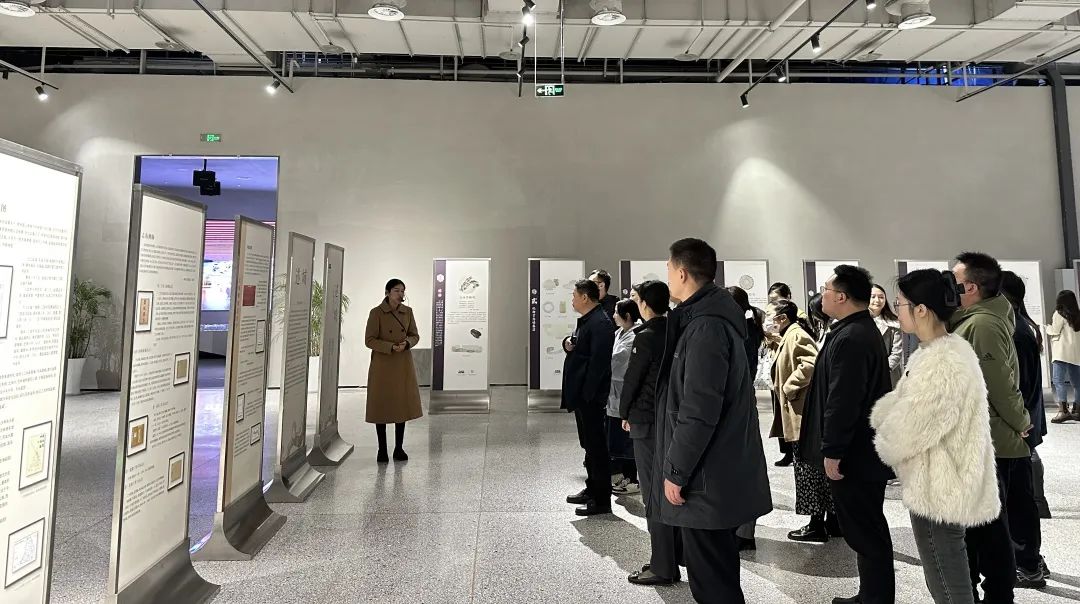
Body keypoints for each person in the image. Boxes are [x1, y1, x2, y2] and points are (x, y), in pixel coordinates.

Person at [652, 238, 771, 604]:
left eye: (669, 269)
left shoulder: (706, 328)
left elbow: (699, 409)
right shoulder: (706, 320)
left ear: (682, 273)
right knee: (714, 572)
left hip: (705, 477)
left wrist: (676, 470)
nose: (667, 276)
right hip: (711, 471)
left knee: (712, 580)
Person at [870, 269, 1000, 604]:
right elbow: (905, 404)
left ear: (921, 310)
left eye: (900, 304)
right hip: (944, 479)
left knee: (946, 577)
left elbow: (911, 427)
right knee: (946, 571)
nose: (896, 310)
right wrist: (887, 414)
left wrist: (884, 431)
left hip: (939, 485)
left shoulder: (941, 360)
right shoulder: (941, 351)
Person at [799, 265, 895, 604]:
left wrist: (833, 450)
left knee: (865, 529)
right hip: (857, 452)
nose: (821, 295)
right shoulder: (852, 330)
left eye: (825, 290)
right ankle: (870, 595)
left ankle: (875, 598)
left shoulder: (853, 337)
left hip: (855, 455)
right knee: (864, 528)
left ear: (841, 296)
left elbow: (843, 400)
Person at [950, 252, 1032, 603]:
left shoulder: (982, 325)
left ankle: (998, 595)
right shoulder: (974, 319)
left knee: (989, 529)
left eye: (954, 282)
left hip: (992, 441)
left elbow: (998, 384)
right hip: (984, 438)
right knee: (981, 527)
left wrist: (1022, 421)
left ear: (970, 287)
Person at [621, 280, 682, 587]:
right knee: (669, 490)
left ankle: (662, 565)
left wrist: (624, 412)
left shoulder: (645, 336)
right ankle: (672, 556)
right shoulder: (677, 330)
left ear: (644, 304)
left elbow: (633, 378)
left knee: (653, 494)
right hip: (672, 419)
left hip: (646, 420)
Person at [771, 299, 838, 543]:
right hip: (803, 414)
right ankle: (831, 520)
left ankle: (816, 524)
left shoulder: (796, 335)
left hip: (802, 416)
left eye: (772, 316)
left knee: (807, 470)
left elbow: (810, 363)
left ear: (782, 318)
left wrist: (789, 387)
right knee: (813, 470)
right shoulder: (792, 334)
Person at [1000, 271, 1051, 584]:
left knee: (1018, 498)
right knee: (1020, 496)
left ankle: (1028, 563)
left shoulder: (1015, 332)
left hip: (1018, 429)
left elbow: (1016, 388)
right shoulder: (1020, 327)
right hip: (1023, 427)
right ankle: (1030, 559)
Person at [562, 279, 616, 517]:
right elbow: (581, 347)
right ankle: (592, 488)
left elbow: (599, 365)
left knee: (597, 447)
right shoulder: (588, 320)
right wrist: (567, 344)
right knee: (589, 445)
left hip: (591, 397)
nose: (572, 300)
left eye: (574, 295)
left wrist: (587, 394)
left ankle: (602, 500)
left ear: (585, 297)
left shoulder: (600, 323)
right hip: (583, 396)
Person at [364, 279, 423, 463]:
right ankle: (382, 449)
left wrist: (407, 343)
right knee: (381, 405)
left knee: (401, 405)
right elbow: (369, 340)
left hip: (402, 363)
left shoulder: (408, 312)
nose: (400, 294)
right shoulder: (376, 313)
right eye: (396, 290)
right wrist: (389, 346)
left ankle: (399, 448)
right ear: (387, 292)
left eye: (402, 291)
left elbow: (415, 335)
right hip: (383, 364)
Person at [727, 285, 766, 551]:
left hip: (737, 403)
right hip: (742, 400)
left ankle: (743, 530)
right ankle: (743, 528)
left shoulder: (741, 331)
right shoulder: (747, 328)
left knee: (741, 467)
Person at [608, 298, 640, 495]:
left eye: (616, 312)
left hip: (625, 393)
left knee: (627, 440)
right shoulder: (619, 332)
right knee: (618, 439)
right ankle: (623, 476)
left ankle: (632, 480)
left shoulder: (634, 336)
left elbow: (615, 360)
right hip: (614, 393)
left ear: (626, 316)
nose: (613, 316)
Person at [1048, 289, 1080, 424]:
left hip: (1061, 353)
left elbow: (1054, 330)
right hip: (1075, 353)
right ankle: (1077, 410)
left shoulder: (1059, 314)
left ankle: (1063, 411)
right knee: (1077, 383)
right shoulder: (1077, 315)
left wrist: (1046, 328)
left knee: (1058, 381)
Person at [870, 284, 904, 387]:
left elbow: (897, 353)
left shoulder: (894, 324)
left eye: (881, 297)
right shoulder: (858, 323)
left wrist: (881, 371)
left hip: (888, 375)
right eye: (873, 297)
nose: (877, 300)